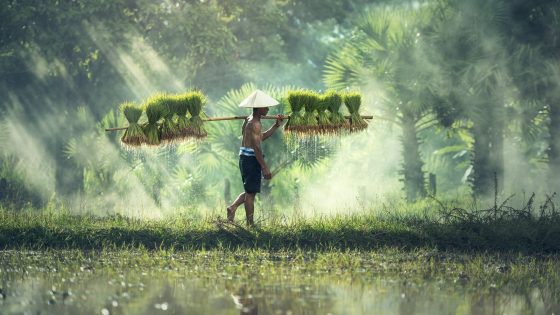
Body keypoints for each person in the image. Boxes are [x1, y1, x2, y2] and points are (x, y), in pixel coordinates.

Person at [226, 105, 283, 226]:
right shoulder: (254, 123)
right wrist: (264, 167)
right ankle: (250, 224)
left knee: (250, 191)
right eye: (265, 107)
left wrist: (276, 126)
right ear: (258, 108)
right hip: (251, 159)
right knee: (251, 194)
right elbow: (256, 147)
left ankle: (232, 208)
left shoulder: (250, 121)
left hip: (245, 157)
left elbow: (261, 137)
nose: (268, 109)